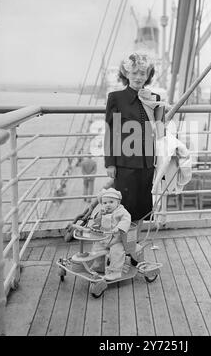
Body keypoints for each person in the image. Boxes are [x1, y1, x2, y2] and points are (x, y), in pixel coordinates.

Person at [104, 53, 165, 238]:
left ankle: (133, 247)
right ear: (127, 74)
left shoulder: (155, 98)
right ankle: (120, 250)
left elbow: (161, 130)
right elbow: (110, 131)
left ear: (148, 76)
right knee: (124, 209)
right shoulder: (116, 98)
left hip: (147, 163)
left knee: (141, 209)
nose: (139, 77)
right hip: (125, 162)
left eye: (143, 73)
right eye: (135, 73)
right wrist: (110, 163)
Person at [91, 188, 131, 281]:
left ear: (118, 203)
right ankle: (98, 266)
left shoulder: (121, 211)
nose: (107, 205)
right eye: (105, 203)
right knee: (96, 249)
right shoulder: (104, 211)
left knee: (117, 252)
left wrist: (119, 227)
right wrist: (100, 215)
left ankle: (115, 272)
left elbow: (126, 220)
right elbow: (96, 221)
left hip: (117, 239)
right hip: (104, 238)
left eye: (111, 202)